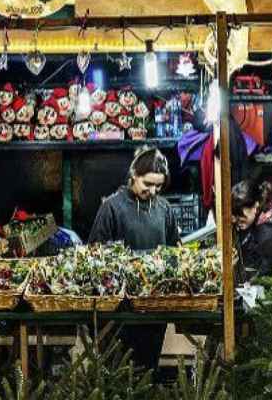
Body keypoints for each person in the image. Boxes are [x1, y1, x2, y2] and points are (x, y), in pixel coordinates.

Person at [88, 147, 179, 374]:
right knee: (118, 370)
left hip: (154, 306)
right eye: (147, 184)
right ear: (133, 176)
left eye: (158, 186)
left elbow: (174, 250)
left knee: (148, 368)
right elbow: (95, 252)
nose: (153, 191)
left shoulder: (164, 209)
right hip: (120, 310)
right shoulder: (111, 207)